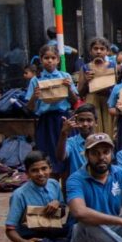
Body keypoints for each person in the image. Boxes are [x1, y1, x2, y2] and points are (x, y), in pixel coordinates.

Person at [5, 151, 70, 242]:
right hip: (32, 236)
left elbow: (63, 209)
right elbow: (10, 230)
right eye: (34, 170)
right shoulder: (19, 195)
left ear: (50, 168)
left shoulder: (54, 184)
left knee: (76, 224)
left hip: (53, 229)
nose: (40, 173)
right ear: (27, 173)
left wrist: (57, 203)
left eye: (44, 168)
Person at [26, 45, 79, 175]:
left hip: (63, 118)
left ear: (58, 60)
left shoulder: (65, 76)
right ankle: (52, 185)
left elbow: (74, 101)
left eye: (53, 58)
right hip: (46, 121)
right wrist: (35, 96)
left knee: (66, 154)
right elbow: (30, 107)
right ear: (41, 60)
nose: (49, 61)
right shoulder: (36, 79)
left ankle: (67, 188)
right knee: (48, 154)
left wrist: (69, 89)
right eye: (46, 58)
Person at [76, 37, 116, 137]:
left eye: (102, 49)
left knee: (109, 129)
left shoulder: (113, 66)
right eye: (95, 48)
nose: (98, 51)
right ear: (90, 51)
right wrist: (86, 81)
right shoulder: (85, 68)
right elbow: (80, 93)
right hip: (92, 101)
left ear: (107, 51)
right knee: (93, 128)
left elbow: (118, 88)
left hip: (108, 102)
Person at [56, 103, 98, 176]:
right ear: (76, 122)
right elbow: (60, 157)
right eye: (81, 120)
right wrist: (63, 133)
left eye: (89, 120)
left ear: (96, 122)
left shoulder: (102, 141)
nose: (85, 124)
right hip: (79, 184)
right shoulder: (71, 142)